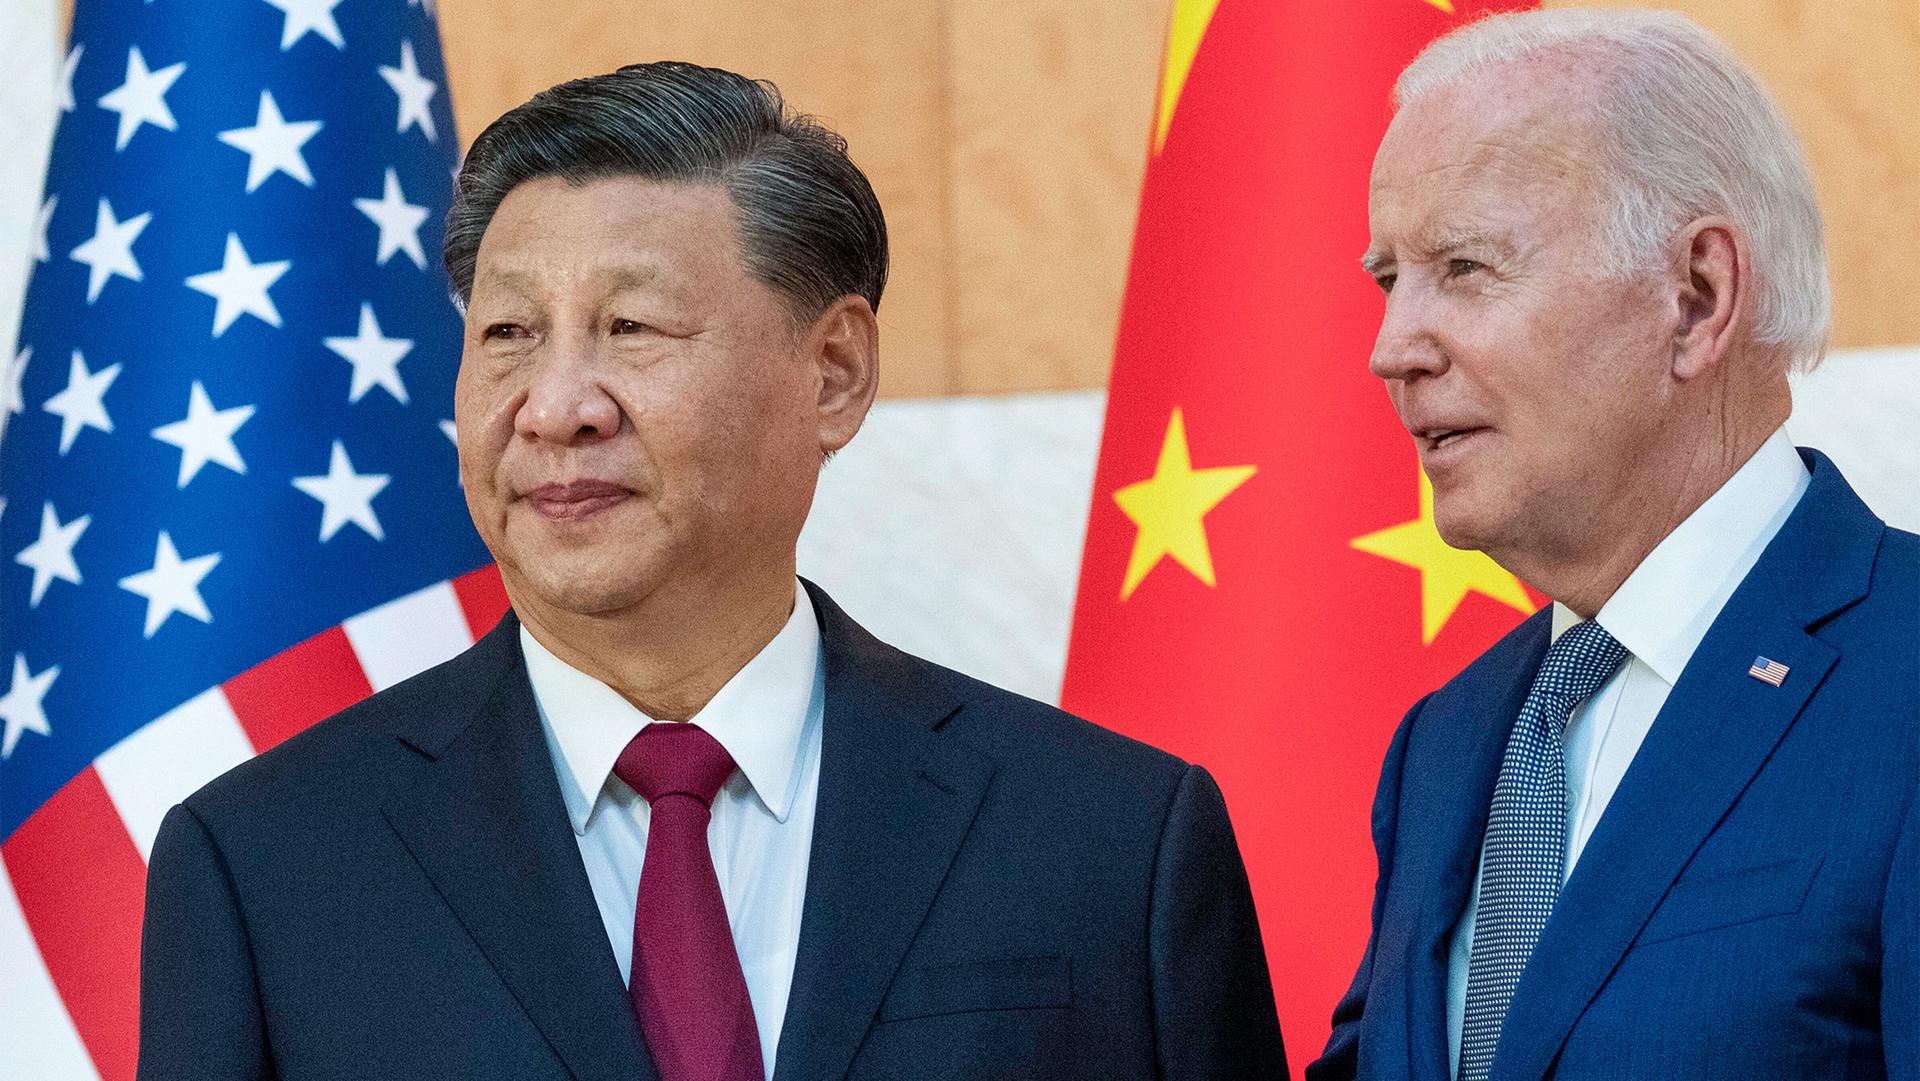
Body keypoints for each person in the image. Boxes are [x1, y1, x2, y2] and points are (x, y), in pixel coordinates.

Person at [136, 62, 1287, 1080]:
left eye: (631, 326)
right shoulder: (266, 868)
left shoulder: (1109, 836)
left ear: (832, 374)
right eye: (508, 335)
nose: (558, 406)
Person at [1310, 11, 1917, 1081]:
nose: (1391, 348)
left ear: (1696, 297)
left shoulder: (1901, 676)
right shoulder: (1443, 743)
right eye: (1386, 278)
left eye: (1464, 266)